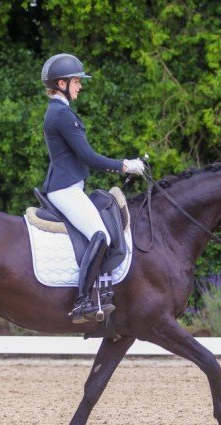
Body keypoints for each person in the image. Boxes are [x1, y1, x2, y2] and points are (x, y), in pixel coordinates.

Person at [40, 53, 145, 323]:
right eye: (76, 81)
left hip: (69, 186)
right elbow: (88, 157)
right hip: (64, 190)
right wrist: (124, 165)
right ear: (61, 83)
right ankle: (83, 301)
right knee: (100, 234)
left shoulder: (60, 111)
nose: (80, 86)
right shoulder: (61, 114)